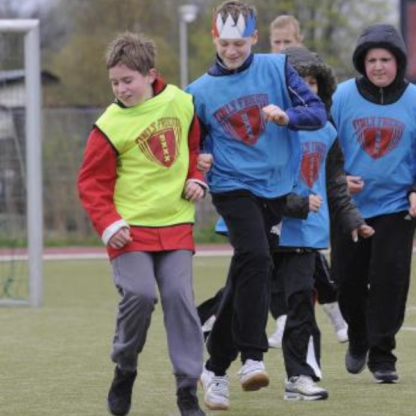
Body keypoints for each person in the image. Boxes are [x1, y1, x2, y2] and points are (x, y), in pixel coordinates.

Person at [185, 0, 327, 411]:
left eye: (240, 43)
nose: (232, 51)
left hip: (276, 188)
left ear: (253, 38)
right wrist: (201, 159)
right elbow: (195, 142)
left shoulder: (278, 68)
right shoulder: (198, 91)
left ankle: (213, 369)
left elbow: (316, 111)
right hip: (232, 186)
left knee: (245, 275)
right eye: (225, 43)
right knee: (258, 260)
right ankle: (251, 358)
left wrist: (287, 117)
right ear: (215, 38)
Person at [77, 32, 207, 416]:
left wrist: (197, 178)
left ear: (151, 74)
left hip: (176, 224)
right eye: (115, 82)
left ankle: (187, 390)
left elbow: (196, 147)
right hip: (128, 231)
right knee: (140, 295)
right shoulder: (109, 125)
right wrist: (109, 223)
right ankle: (125, 366)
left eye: (128, 80)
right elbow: (91, 183)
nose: (121, 89)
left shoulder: (181, 103)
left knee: (180, 300)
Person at [331, 24, 416, 384]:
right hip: (348, 207)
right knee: (346, 282)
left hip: (397, 206)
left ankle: (382, 355)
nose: (379, 66)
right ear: (361, 63)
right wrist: (338, 181)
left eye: (386, 59)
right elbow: (319, 148)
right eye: (371, 60)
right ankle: (358, 337)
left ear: (398, 62)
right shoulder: (338, 99)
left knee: (389, 280)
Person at [264, 15, 350, 347]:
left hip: (308, 200)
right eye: (277, 42)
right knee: (270, 263)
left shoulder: (314, 98)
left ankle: (331, 315)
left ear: (299, 40)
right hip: (279, 198)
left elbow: (330, 152)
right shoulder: (267, 79)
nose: (282, 48)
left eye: (288, 42)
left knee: (310, 260)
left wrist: (340, 180)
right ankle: (286, 319)